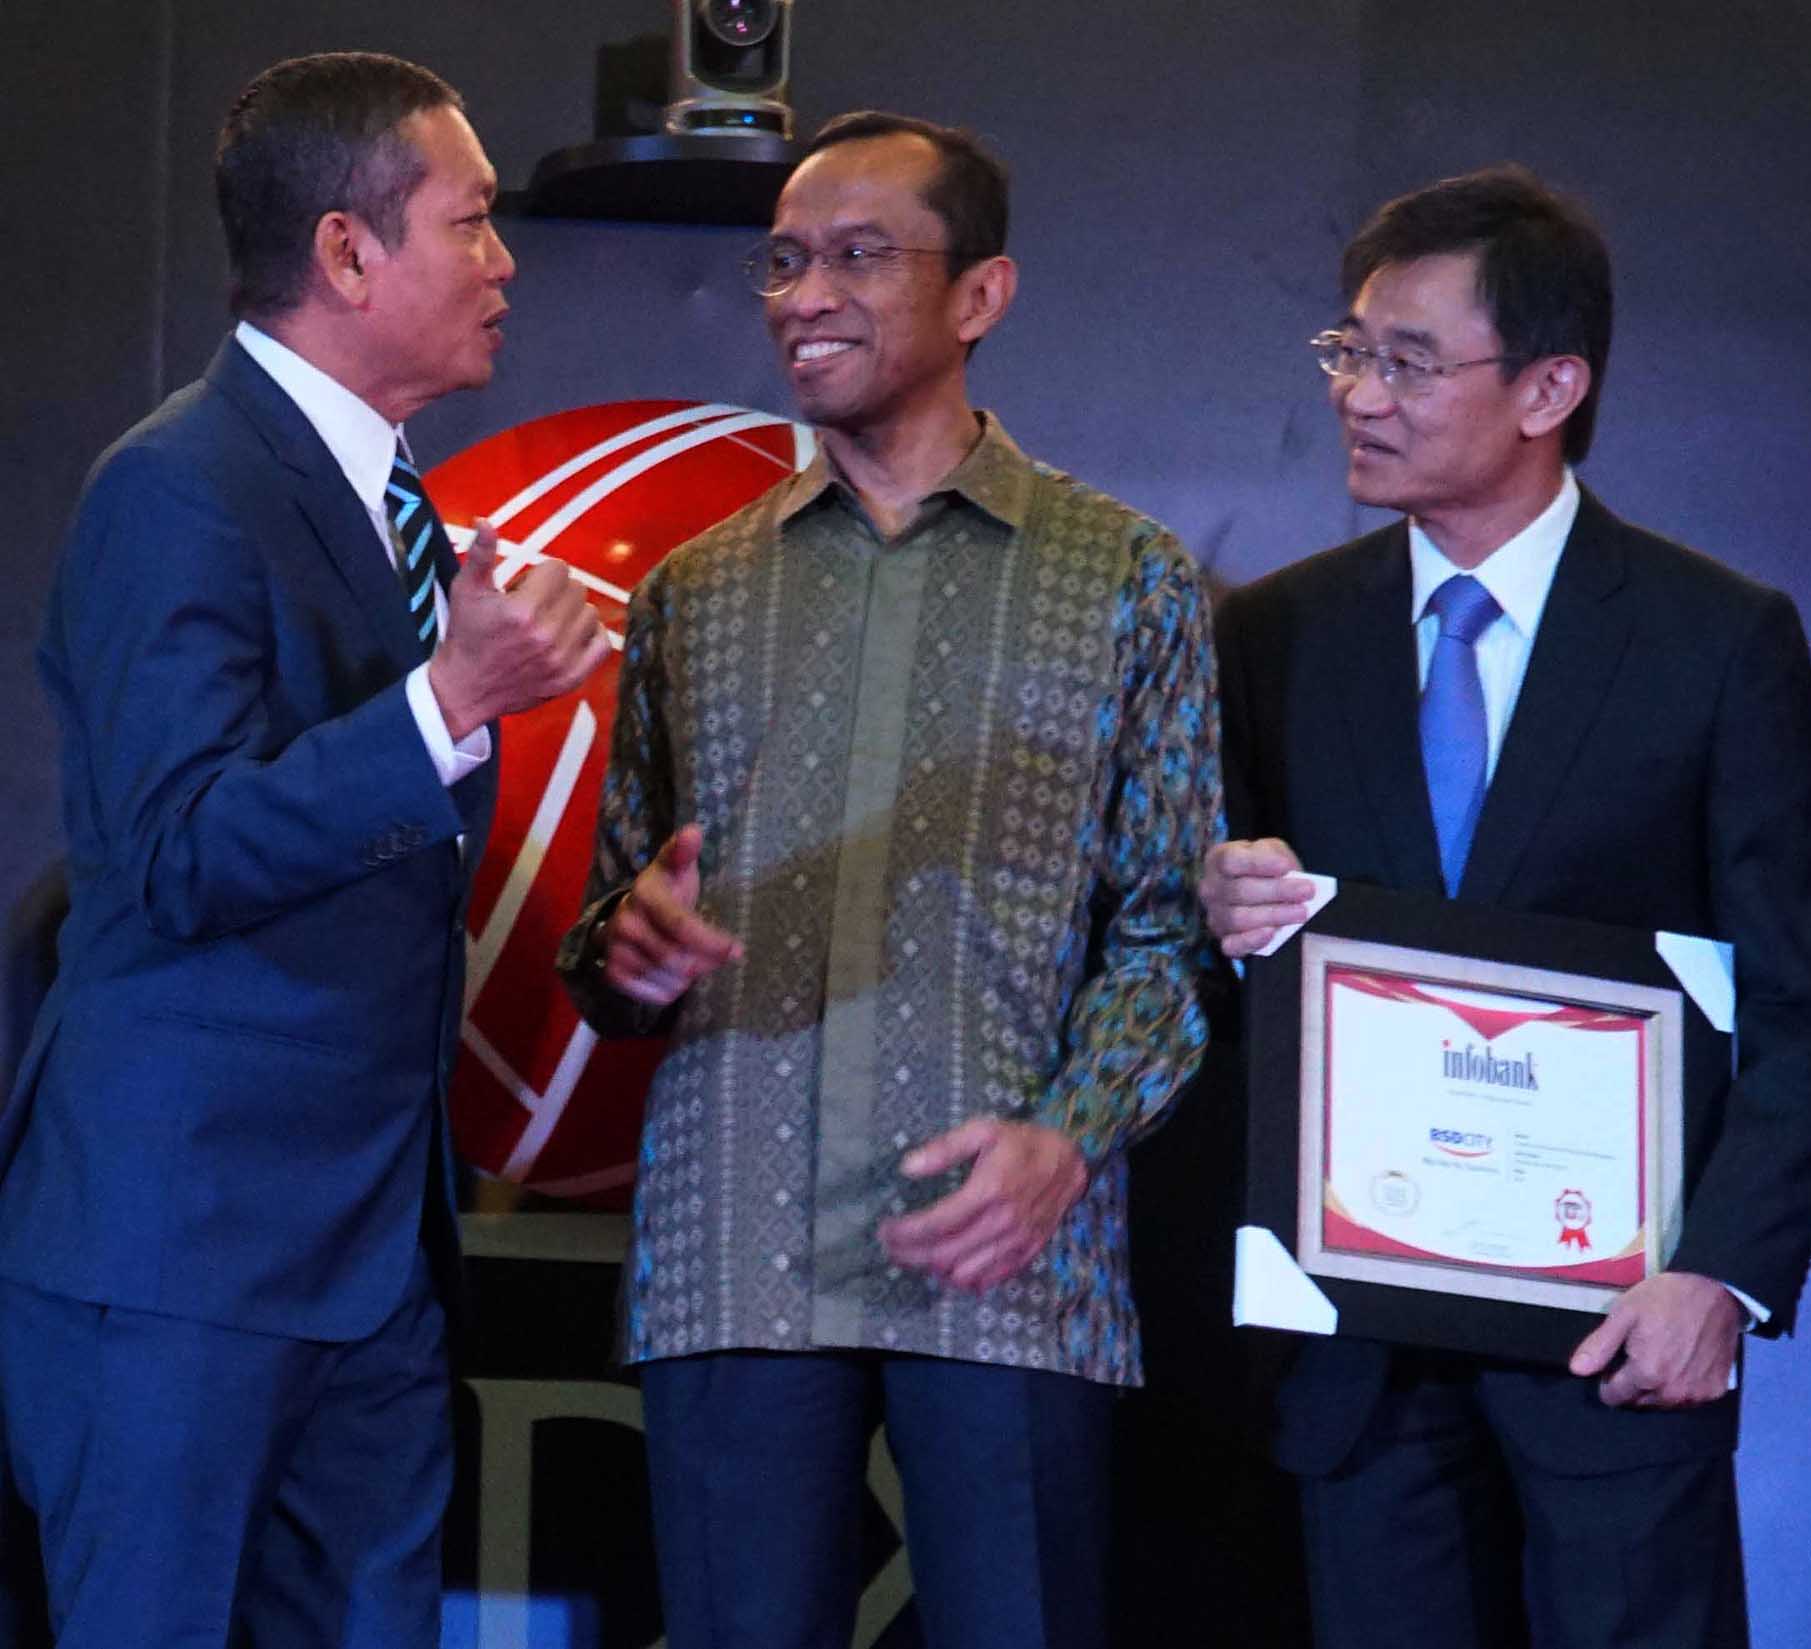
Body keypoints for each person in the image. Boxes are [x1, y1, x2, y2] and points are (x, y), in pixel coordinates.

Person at [553, 110, 1223, 1649]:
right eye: (784, 261)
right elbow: (607, 944)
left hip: (1011, 1254)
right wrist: (626, 948)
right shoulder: (695, 591)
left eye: (858, 256)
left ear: (981, 294)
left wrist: (1067, 1138)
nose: (806, 297)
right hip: (733, 1253)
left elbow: (1169, 936)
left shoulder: (1126, 576)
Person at [1199, 165, 1811, 1649]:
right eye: (1348, 352)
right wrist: (1220, 913)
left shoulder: (1714, 639)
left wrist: (1723, 1278)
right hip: (1359, 1360)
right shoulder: (1278, 634)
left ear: (1550, 386)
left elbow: (1810, 1014)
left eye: (1409, 361)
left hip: (1617, 1349)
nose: (1359, 395)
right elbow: (1226, 989)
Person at [0, 49, 605, 1647]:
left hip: (370, 1268)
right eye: (470, 221)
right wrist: (449, 699)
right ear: (347, 251)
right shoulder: (174, 489)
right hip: (183, 1272)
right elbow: (177, 849)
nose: (504, 260)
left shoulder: (391, 499)